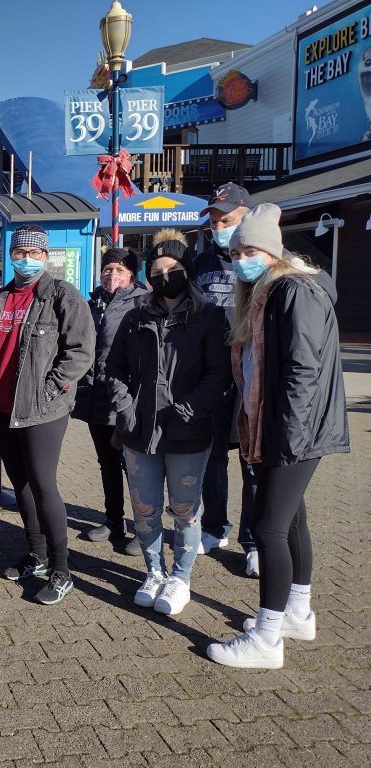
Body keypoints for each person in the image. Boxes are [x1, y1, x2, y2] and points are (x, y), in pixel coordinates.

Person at [207, 204, 348, 669]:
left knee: (267, 527)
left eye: (250, 250)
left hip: (291, 431)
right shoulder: (267, 293)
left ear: (272, 250)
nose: (241, 259)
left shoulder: (292, 291)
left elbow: (302, 370)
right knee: (290, 522)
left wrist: (285, 435)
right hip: (285, 428)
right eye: (237, 251)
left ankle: (266, 639)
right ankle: (297, 613)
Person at [106, 230, 231, 616]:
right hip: (139, 432)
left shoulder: (209, 316)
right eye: (156, 270)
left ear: (187, 272)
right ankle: (154, 572)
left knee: (184, 510)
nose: (164, 276)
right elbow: (114, 368)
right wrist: (125, 408)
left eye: (173, 269)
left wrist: (189, 409)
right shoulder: (135, 315)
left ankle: (181, 577)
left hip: (187, 433)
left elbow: (220, 374)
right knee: (144, 508)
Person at [0, 226, 94, 605]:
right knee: (20, 483)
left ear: (45, 255)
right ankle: (36, 555)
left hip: (42, 410)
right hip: (3, 407)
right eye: (19, 251)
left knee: (43, 485)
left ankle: (62, 570)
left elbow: (80, 352)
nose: (25, 258)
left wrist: (50, 389)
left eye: (33, 252)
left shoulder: (62, 296)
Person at [193, 183, 259, 566]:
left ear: (247, 216)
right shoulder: (202, 264)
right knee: (212, 456)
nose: (219, 227)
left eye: (227, 220)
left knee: (251, 460)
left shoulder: (259, 261)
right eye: (215, 221)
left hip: (250, 375)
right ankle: (215, 526)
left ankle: (253, 542)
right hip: (213, 376)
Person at [72, 247, 149, 555]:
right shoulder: (93, 303)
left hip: (127, 399)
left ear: (132, 275)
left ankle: (144, 529)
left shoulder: (142, 303)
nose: (111, 275)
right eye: (107, 270)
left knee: (135, 467)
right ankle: (114, 520)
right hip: (95, 397)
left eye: (119, 270)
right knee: (107, 463)